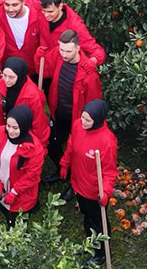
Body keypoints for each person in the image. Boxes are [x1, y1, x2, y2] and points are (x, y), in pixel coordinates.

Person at [60, 99, 118, 267]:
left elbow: (109, 172)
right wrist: (65, 163)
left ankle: (100, 254)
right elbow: (71, 145)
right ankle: (90, 244)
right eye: (82, 117)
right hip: (79, 184)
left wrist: (105, 192)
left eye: (88, 120)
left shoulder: (107, 141)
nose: (83, 122)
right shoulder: (78, 126)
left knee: (97, 222)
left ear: (98, 119)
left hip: (94, 191)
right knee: (86, 217)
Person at [43, 30, 103, 190]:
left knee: (78, 152)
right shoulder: (57, 55)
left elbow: (94, 103)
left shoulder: (89, 73)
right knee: (51, 143)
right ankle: (62, 170)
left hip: (77, 118)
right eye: (61, 50)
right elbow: (45, 70)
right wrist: (39, 56)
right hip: (58, 112)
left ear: (78, 48)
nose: (64, 54)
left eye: (68, 51)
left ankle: (75, 184)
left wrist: (88, 125)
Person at [34, 0, 107, 93]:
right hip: (45, 66)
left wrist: (93, 61)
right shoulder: (41, 8)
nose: (46, 15)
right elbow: (25, 1)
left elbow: (96, 49)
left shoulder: (75, 25)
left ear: (60, 6)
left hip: (64, 70)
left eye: (50, 12)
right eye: (43, 11)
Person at [0, 105, 45, 228]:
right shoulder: (0, 133)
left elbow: (31, 175)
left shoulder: (35, 148)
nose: (10, 131)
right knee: (4, 207)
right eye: (8, 126)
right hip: (1, 182)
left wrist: (14, 192)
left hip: (21, 192)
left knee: (16, 219)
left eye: (15, 128)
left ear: (24, 126)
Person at [0, 0, 47, 80]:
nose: (10, 9)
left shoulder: (38, 14)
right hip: (8, 71)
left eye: (15, 5)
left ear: (23, 1)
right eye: (7, 5)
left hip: (33, 69)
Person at [0, 57, 49, 145]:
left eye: (11, 77)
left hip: (23, 134)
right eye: (4, 75)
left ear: (20, 76)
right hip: (5, 129)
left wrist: (41, 144)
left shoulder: (32, 95)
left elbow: (39, 122)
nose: (6, 80)